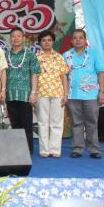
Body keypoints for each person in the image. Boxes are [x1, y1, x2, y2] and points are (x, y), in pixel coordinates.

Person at [63, 29, 104, 159]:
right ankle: (77, 149)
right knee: (76, 123)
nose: (78, 40)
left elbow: (101, 73)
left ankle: (94, 149)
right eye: (75, 38)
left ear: (85, 40)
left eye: (81, 38)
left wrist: (101, 92)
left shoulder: (94, 54)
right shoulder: (66, 55)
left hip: (91, 95)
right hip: (72, 95)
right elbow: (63, 76)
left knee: (92, 122)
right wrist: (64, 94)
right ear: (71, 41)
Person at [5, 28, 41, 155]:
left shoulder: (30, 54)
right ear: (10, 39)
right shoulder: (6, 54)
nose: (16, 38)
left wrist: (34, 92)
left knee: (26, 124)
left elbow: (35, 73)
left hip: (25, 94)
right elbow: (2, 74)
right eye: (13, 36)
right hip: (10, 94)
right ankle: (17, 151)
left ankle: (28, 151)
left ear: (23, 38)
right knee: (15, 124)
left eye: (18, 36)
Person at [36, 30, 69, 158]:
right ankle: (44, 149)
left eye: (49, 40)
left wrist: (65, 95)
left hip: (58, 93)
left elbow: (64, 77)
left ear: (53, 42)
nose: (47, 42)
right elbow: (33, 76)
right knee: (43, 122)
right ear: (40, 43)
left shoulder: (59, 57)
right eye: (44, 40)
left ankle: (55, 149)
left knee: (56, 122)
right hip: (41, 93)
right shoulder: (36, 58)